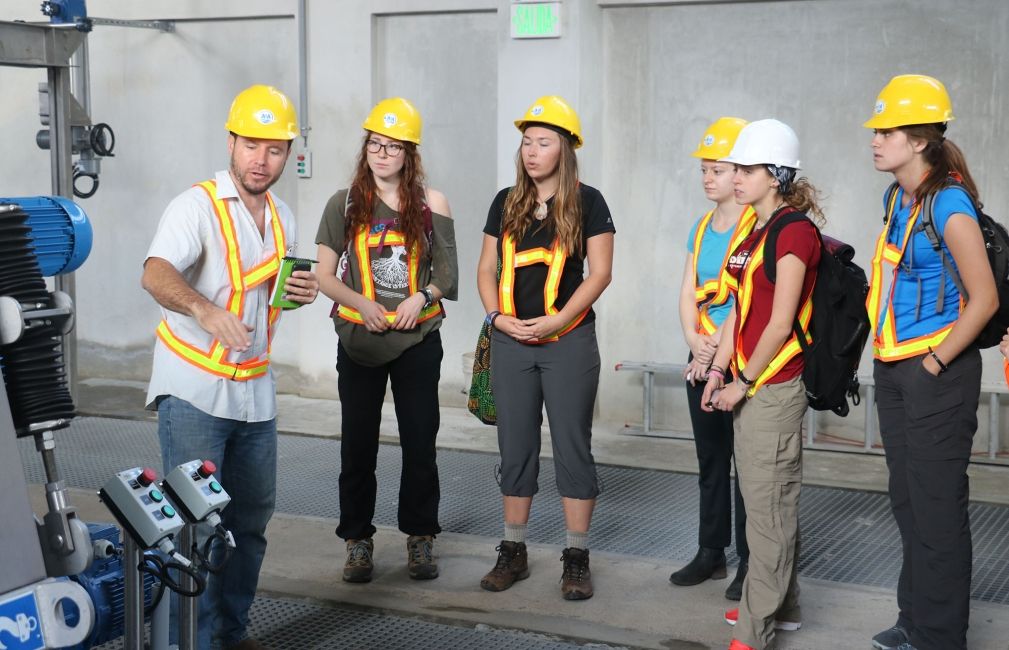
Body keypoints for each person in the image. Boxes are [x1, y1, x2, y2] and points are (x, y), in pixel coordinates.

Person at [142, 84, 319, 650]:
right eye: (250, 146)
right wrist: (203, 307)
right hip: (194, 390)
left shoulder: (283, 214)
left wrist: (300, 290)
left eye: (273, 149)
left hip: (254, 394)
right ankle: (180, 643)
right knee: (191, 526)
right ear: (231, 141)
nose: (260, 160)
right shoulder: (194, 206)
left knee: (247, 527)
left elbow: (272, 296)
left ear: (287, 154)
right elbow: (155, 272)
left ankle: (228, 635)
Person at [862, 74, 996, 650]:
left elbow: (985, 297)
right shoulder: (899, 196)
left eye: (886, 130)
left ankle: (941, 637)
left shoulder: (949, 201)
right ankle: (914, 621)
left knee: (938, 507)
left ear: (919, 139)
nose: (874, 139)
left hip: (936, 371)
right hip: (896, 368)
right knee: (909, 500)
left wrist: (936, 363)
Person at [476, 95, 614, 601]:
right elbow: (485, 268)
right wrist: (497, 318)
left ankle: (576, 558)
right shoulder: (504, 201)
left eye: (544, 142)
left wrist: (556, 320)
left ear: (566, 149)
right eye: (527, 142)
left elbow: (600, 273)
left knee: (572, 447)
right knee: (515, 447)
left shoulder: (590, 202)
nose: (531, 151)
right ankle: (513, 550)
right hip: (511, 342)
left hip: (568, 342)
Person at [315, 97, 458, 584]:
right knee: (357, 445)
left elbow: (448, 273)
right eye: (375, 144)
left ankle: (420, 538)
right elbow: (323, 275)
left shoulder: (430, 203)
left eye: (393, 147)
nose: (381, 154)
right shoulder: (345, 204)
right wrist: (362, 305)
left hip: (418, 340)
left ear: (409, 154)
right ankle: (358, 542)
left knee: (420, 442)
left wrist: (422, 295)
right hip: (360, 340)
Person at [700, 119, 822, 650]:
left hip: (774, 387)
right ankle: (783, 603)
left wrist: (741, 383)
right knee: (771, 501)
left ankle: (756, 629)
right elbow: (736, 314)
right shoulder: (754, 229)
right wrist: (716, 370)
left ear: (775, 176)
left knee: (767, 510)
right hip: (750, 382)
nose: (738, 176)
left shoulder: (794, 231)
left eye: (748, 169)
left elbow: (781, 321)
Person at [672, 117, 754, 601]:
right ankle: (710, 552)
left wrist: (715, 348)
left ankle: (749, 560)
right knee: (710, 458)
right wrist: (694, 339)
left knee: (746, 462)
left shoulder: (755, 225)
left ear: (740, 173)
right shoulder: (701, 226)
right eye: (704, 169)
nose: (708, 178)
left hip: (738, 357)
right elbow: (686, 291)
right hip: (700, 353)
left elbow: (746, 297)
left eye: (717, 170)